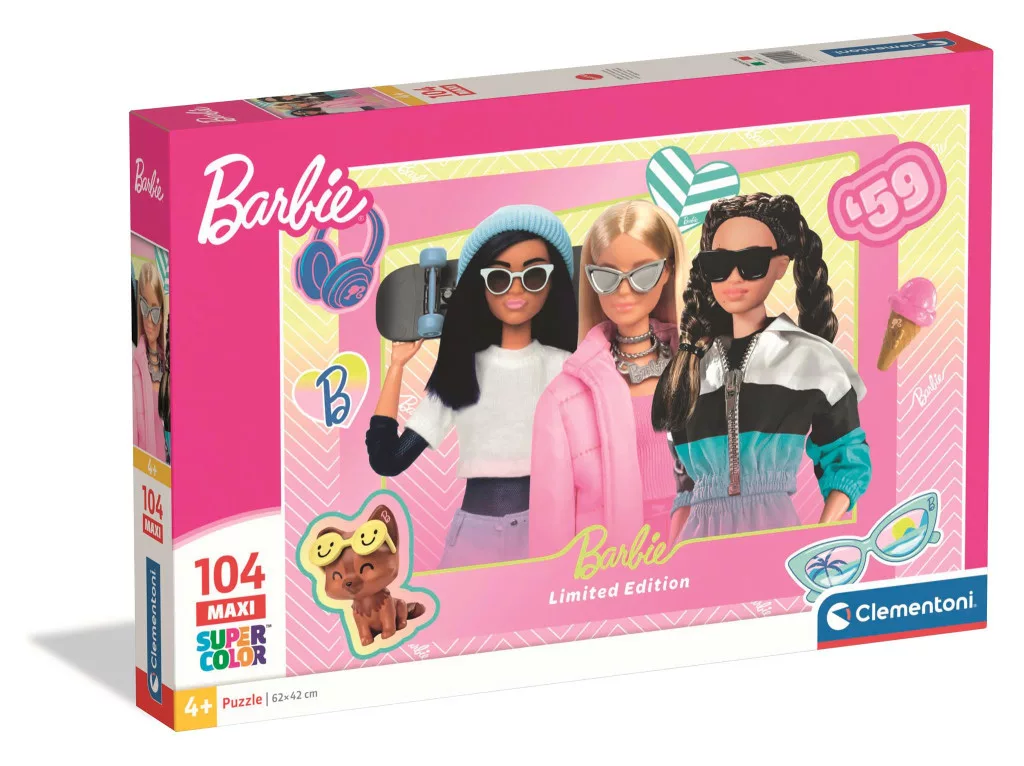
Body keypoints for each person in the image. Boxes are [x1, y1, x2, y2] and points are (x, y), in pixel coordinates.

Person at [652, 193, 871, 542]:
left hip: (775, 530)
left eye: (751, 262)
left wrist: (819, 538)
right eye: (719, 265)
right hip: (698, 540)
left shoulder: (809, 358)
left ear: (780, 265)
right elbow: (684, 485)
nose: (734, 278)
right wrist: (671, 557)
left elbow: (847, 457)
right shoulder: (690, 366)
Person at [366, 205, 577, 566]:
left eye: (533, 276)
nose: (516, 290)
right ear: (480, 287)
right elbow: (388, 459)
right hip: (476, 537)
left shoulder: (565, 366)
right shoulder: (461, 371)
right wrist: (396, 367)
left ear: (553, 283)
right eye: (499, 278)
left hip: (550, 528)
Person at [529, 200, 687, 554]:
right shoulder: (562, 399)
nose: (624, 291)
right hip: (611, 560)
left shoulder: (704, 369)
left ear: (668, 271)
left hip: (698, 542)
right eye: (607, 276)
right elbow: (550, 533)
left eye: (643, 273)